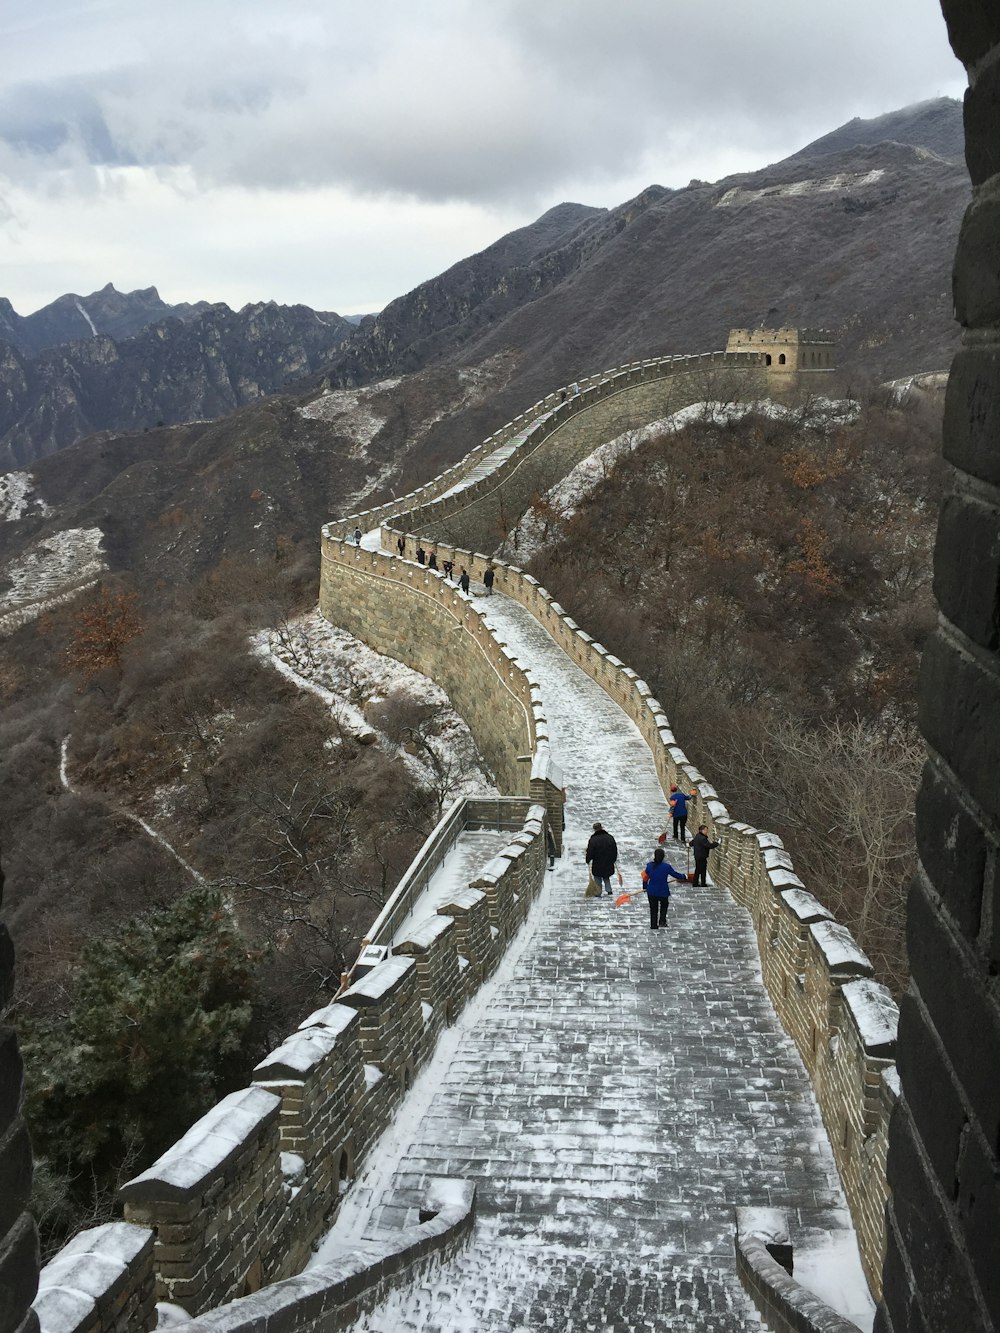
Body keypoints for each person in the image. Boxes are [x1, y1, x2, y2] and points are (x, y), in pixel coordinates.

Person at [643, 846, 687, 929]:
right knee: (664, 906)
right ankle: (662, 921)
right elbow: (675, 874)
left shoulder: (649, 866)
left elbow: (645, 878)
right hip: (663, 891)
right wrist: (684, 876)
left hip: (652, 891)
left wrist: (645, 887)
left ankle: (653, 925)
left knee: (653, 908)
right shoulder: (666, 867)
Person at [585, 821, 618, 897]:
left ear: (594, 830)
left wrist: (588, 859)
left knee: (597, 877)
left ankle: (598, 891)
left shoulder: (593, 839)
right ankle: (609, 890)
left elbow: (590, 851)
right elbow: (614, 849)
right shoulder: (610, 837)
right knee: (606, 876)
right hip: (608, 861)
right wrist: (613, 859)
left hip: (597, 862)